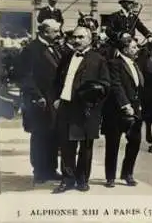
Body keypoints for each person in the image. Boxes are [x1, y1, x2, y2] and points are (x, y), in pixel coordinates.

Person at [53, 26, 110, 193]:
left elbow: (106, 84)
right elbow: (57, 80)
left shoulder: (98, 59)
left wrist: (94, 99)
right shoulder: (67, 56)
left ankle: (82, 179)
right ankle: (67, 179)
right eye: (74, 37)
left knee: (85, 147)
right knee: (66, 145)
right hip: (66, 106)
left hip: (86, 109)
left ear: (89, 39)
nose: (76, 40)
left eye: (80, 37)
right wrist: (57, 98)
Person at [19, 19, 62, 184]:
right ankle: (39, 171)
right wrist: (37, 96)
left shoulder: (55, 48)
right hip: (39, 100)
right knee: (39, 136)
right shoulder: (31, 49)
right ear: (45, 32)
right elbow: (25, 76)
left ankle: (51, 169)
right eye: (55, 31)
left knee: (53, 134)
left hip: (53, 99)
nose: (59, 34)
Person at [101, 35, 144, 188]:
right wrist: (125, 105)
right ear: (125, 49)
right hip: (116, 111)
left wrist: (139, 105)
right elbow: (116, 85)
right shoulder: (114, 64)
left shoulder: (135, 64)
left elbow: (138, 87)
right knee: (113, 144)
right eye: (133, 47)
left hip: (135, 110)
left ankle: (127, 173)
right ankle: (110, 177)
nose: (137, 49)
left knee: (135, 142)